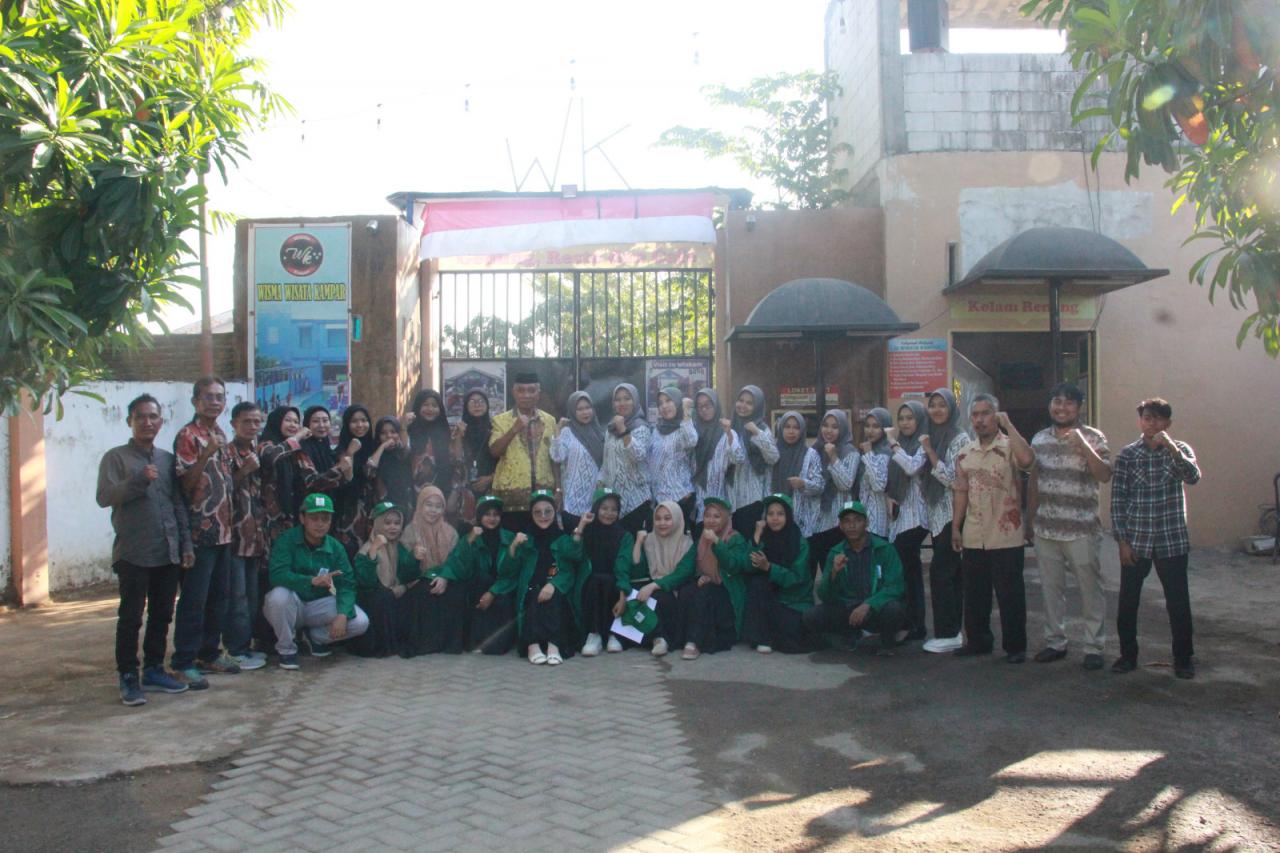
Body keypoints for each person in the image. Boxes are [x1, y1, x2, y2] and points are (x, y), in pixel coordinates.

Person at [97, 394, 195, 705]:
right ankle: (128, 674)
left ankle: (154, 668)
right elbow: (104, 497)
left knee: (162, 614)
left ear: (160, 421)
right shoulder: (116, 458)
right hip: (133, 552)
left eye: (153, 417)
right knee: (130, 616)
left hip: (167, 551)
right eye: (140, 417)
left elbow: (177, 503)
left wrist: (185, 545)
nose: (147, 422)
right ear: (130, 421)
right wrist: (138, 480)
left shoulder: (167, 459)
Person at [1110, 397, 1201, 679]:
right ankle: (1127, 655)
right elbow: (1118, 501)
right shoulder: (1128, 455)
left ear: (1168, 423)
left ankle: (1183, 659)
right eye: (1147, 418)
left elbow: (1193, 476)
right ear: (1140, 421)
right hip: (1137, 539)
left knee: (1177, 602)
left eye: (1158, 419)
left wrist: (1172, 447)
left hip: (1171, 539)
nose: (1152, 424)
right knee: (1128, 602)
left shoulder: (1180, 450)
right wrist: (1122, 541)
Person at [1027, 383, 1112, 671]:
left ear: (1079, 408)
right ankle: (1055, 642)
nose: (1061, 408)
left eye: (1068, 403)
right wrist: (1031, 521)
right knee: (1051, 590)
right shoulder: (1038, 439)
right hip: (1046, 529)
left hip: (1082, 530)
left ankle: (1093, 646)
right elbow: (1034, 481)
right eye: (1056, 402)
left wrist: (1084, 445)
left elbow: (1103, 475)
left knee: (1090, 590)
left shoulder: (1094, 437)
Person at [951, 394, 1035, 663]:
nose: (979, 420)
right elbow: (961, 492)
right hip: (975, 533)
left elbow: (1028, 461)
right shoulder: (965, 453)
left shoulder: (1009, 446)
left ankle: (1015, 646)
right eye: (975, 415)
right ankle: (978, 641)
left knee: (1010, 594)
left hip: (1006, 533)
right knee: (975, 595)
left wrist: (1009, 425)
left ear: (996, 415)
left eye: (986, 414)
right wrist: (956, 527)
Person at [171, 377, 240, 686]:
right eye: (209, 397)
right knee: (193, 600)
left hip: (224, 532)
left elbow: (224, 484)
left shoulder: (221, 434)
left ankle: (209, 653)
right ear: (196, 402)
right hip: (200, 533)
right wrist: (206, 453)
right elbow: (185, 484)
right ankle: (184, 660)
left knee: (218, 599)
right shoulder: (188, 436)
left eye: (220, 397)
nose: (215, 401)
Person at [263, 492, 370, 669]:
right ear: (302, 518)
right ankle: (287, 650)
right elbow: (277, 575)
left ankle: (315, 637)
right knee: (278, 596)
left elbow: (347, 584)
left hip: (318, 606)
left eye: (325, 518)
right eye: (314, 518)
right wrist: (310, 581)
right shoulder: (287, 540)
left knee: (360, 622)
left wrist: (343, 614)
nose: (320, 524)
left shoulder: (336, 547)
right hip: (292, 604)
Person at [803, 501, 906, 651]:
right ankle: (851, 634)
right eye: (847, 521)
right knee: (810, 616)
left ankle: (884, 638)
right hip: (847, 608)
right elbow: (825, 596)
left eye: (857, 520)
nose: (852, 525)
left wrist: (868, 605)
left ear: (866, 522)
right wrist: (833, 574)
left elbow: (896, 586)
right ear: (841, 526)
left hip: (874, 608)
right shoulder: (835, 552)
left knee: (894, 609)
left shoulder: (884, 548)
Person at [491, 490, 579, 665]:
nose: (543, 516)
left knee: (554, 599)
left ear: (555, 513)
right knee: (532, 597)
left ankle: (554, 645)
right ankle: (532, 645)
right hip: (530, 586)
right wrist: (514, 546)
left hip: (553, 585)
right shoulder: (524, 538)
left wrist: (553, 585)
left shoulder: (561, 538)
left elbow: (568, 569)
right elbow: (508, 570)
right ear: (531, 514)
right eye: (537, 512)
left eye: (548, 511)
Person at [918, 388, 972, 654]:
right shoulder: (935, 435)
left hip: (953, 515)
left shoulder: (959, 438)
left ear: (952, 409)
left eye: (942, 405)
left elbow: (954, 480)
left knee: (943, 574)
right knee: (947, 574)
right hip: (937, 516)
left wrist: (929, 452)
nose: (937, 410)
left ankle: (949, 633)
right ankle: (951, 631)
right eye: (933, 405)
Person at [562, 488, 634, 656]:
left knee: (607, 582)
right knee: (596, 582)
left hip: (614, 587)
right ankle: (593, 634)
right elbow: (571, 554)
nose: (609, 513)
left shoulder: (624, 536)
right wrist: (581, 525)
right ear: (595, 508)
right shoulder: (587, 531)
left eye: (614, 509)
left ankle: (613, 634)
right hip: (589, 585)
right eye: (604, 508)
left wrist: (624, 596)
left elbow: (623, 567)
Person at [258, 406, 344, 546]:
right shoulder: (266, 445)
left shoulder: (297, 451)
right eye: (288, 420)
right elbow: (271, 457)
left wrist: (342, 471)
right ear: (277, 421)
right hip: (267, 515)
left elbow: (311, 480)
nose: (293, 425)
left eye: (296, 421)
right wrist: (297, 437)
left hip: (291, 513)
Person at [224, 401, 267, 670]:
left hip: (256, 538)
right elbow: (220, 490)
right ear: (234, 424)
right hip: (234, 537)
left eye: (256, 421)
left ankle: (247, 645)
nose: (252, 426)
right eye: (246, 421)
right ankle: (235, 649)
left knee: (253, 595)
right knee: (236, 597)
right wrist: (245, 470)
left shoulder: (258, 451)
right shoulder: (226, 453)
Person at [678, 497, 749, 660]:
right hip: (709, 585)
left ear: (725, 518)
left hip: (728, 591)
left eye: (716, 516)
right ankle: (682, 638)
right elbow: (685, 567)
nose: (711, 520)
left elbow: (733, 565)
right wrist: (658, 585)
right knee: (687, 591)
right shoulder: (701, 540)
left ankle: (694, 642)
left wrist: (717, 542)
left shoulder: (736, 539)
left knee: (706, 594)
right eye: (707, 516)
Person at [748, 494, 819, 654]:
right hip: (773, 599)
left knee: (790, 638)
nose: (774, 518)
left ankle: (767, 635)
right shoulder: (764, 537)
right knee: (756, 582)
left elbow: (797, 578)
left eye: (780, 514)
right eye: (770, 514)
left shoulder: (799, 542)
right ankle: (763, 637)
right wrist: (756, 538)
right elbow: (749, 565)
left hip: (794, 601)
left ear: (788, 516)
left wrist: (770, 568)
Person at [446, 496, 517, 654]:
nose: (492, 519)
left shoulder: (510, 538)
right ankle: (475, 639)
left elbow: (512, 573)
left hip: (502, 588)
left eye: (496, 514)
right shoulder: (471, 537)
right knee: (479, 582)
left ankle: (497, 643)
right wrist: (469, 542)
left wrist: (493, 592)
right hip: (478, 588)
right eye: (487, 514)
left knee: (502, 600)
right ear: (479, 516)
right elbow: (461, 569)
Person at [400, 485, 466, 654]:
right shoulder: (410, 531)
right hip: (418, 578)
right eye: (429, 505)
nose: (433, 510)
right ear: (420, 505)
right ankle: (425, 644)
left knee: (455, 592)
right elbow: (403, 569)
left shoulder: (450, 532)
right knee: (424, 591)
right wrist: (414, 558)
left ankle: (449, 644)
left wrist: (444, 576)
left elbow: (456, 560)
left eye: (438, 506)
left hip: (444, 577)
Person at [488, 372, 558, 530]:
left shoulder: (550, 420)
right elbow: (494, 451)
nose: (526, 395)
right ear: (514, 392)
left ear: (538, 394)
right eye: (521, 390)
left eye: (531, 390)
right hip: (511, 500)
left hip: (543, 500)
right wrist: (514, 429)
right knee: (512, 546)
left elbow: (554, 458)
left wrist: (559, 489)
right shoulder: (501, 420)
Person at [350, 501, 420, 658]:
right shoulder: (365, 550)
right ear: (377, 524)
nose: (393, 527)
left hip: (394, 593)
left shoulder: (399, 547)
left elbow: (408, 574)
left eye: (397, 523)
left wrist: (415, 559)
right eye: (387, 523)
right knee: (382, 597)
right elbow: (366, 583)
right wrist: (374, 550)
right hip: (373, 601)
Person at [630, 500, 696, 656]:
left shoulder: (688, 543)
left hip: (677, 588)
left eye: (667, 518)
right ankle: (658, 639)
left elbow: (683, 573)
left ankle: (661, 638)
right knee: (638, 594)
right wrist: (638, 543)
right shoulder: (649, 541)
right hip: (655, 586)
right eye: (658, 519)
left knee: (661, 596)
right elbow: (636, 571)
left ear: (678, 519)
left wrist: (653, 586)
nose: (662, 523)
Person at [887, 400, 929, 641]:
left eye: (909, 418)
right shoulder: (901, 444)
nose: (904, 423)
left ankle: (911, 623)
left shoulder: (923, 443)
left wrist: (892, 443)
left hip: (918, 517)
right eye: (901, 418)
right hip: (902, 516)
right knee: (908, 572)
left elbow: (912, 467)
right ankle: (913, 623)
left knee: (906, 570)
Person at [807, 409, 862, 577]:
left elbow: (845, 484)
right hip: (814, 521)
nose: (829, 430)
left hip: (836, 522)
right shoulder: (814, 450)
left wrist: (833, 457)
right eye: (825, 425)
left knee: (836, 573)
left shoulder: (850, 452)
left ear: (843, 429)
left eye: (835, 427)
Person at [725, 385, 780, 539]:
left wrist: (756, 432)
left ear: (757, 407)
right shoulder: (731, 427)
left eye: (749, 403)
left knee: (752, 546)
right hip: (731, 499)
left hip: (753, 498)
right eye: (741, 400)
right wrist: (729, 435)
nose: (743, 406)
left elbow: (773, 457)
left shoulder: (762, 428)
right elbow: (731, 459)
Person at [599, 382, 652, 534]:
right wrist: (600, 481)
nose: (622, 403)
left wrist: (623, 430)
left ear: (635, 401)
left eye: (627, 398)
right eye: (618, 399)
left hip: (637, 501)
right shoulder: (610, 429)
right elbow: (607, 460)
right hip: (614, 504)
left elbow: (638, 456)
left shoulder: (641, 427)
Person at [551, 391, 604, 531]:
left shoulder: (599, 433)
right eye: (579, 409)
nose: (585, 412)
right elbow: (557, 457)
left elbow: (604, 464)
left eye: (588, 408)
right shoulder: (567, 432)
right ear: (572, 411)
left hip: (593, 498)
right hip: (571, 499)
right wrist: (557, 430)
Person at [648, 387, 699, 531]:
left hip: (681, 497)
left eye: (669, 401)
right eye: (660, 403)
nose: (664, 406)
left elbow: (692, 441)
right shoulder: (656, 430)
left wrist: (686, 413)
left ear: (677, 402)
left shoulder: (684, 426)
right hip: (659, 499)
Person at [771, 411, 823, 540]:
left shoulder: (811, 455)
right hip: (774, 519)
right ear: (781, 428)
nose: (791, 431)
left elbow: (820, 486)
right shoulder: (772, 454)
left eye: (796, 427)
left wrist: (803, 484)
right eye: (787, 427)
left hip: (800, 520)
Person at [690, 388, 736, 528]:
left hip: (721, 498)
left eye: (708, 405)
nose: (704, 410)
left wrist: (729, 435)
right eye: (700, 406)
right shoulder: (692, 431)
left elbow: (737, 458)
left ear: (716, 406)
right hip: (696, 500)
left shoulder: (726, 432)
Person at [334, 404, 375, 557]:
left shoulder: (374, 447)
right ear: (346, 424)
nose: (360, 425)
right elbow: (345, 480)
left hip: (372, 510)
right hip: (349, 513)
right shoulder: (339, 451)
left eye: (364, 420)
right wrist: (350, 452)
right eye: (354, 421)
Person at [406, 389, 459, 500]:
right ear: (418, 407)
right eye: (425, 405)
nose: (430, 409)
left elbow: (455, 463)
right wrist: (403, 427)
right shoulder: (409, 431)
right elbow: (402, 454)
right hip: (412, 494)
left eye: (434, 405)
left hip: (441, 494)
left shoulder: (446, 433)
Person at [457, 389, 497, 517]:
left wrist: (490, 479)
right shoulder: (459, 430)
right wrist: (458, 436)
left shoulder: (495, 430)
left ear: (487, 406)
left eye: (481, 402)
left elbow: (505, 460)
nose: (477, 405)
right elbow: (455, 459)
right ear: (466, 406)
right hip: (465, 490)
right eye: (472, 402)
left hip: (491, 487)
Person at [299, 406, 352, 497]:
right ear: (307, 424)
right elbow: (311, 482)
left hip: (329, 503)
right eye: (316, 421)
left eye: (325, 420)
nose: (322, 425)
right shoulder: (302, 449)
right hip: (311, 505)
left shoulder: (326, 445)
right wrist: (338, 469)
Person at [858, 409, 894, 539]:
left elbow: (879, 485)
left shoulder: (885, 452)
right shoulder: (869, 450)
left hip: (879, 520)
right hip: (864, 518)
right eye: (867, 426)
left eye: (876, 426)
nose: (870, 430)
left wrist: (868, 454)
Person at [367, 415, 416, 512]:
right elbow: (370, 470)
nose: (389, 436)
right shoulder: (376, 454)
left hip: (404, 504)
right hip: (382, 506)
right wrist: (383, 446)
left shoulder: (402, 453)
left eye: (393, 432)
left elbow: (406, 448)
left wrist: (404, 426)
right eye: (383, 433)